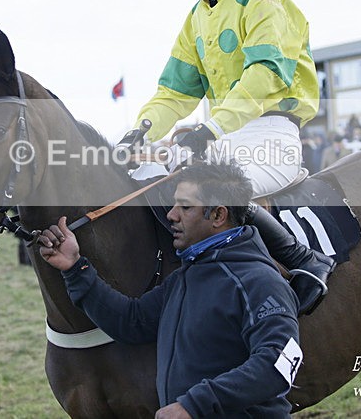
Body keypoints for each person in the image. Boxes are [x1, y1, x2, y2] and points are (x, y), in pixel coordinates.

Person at [120, 0, 334, 313]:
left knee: (211, 189)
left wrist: (210, 129)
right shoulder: (197, 18)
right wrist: (142, 128)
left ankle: (305, 261)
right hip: (221, 135)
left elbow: (264, 76)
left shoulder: (263, 1)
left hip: (271, 133)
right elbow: (175, 92)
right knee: (147, 175)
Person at [39, 163, 302, 418]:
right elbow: (131, 322)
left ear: (219, 215)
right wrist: (74, 267)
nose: (171, 214)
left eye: (185, 207)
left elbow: (278, 364)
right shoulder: (185, 278)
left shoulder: (260, 281)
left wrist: (193, 405)